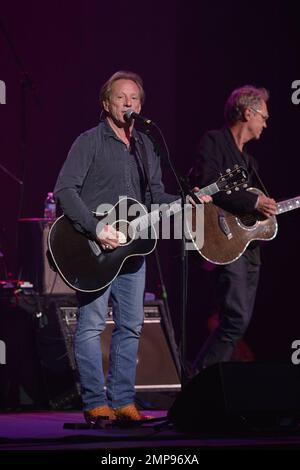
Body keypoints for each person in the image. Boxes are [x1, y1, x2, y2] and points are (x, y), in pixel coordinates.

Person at [54, 70, 210, 423]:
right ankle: (96, 403)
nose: (129, 103)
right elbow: (65, 190)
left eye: (135, 98)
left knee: (131, 325)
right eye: (121, 97)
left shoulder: (145, 146)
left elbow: (154, 196)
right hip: (92, 248)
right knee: (92, 324)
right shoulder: (89, 141)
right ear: (106, 103)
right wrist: (95, 229)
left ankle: (123, 401)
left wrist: (188, 198)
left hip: (134, 250)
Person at [190, 85, 277, 371]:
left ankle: (202, 381)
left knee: (238, 321)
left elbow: (252, 205)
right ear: (248, 112)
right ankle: (199, 380)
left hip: (249, 248)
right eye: (263, 116)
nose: (266, 122)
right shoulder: (215, 141)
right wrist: (254, 201)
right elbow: (208, 185)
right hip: (224, 241)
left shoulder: (250, 162)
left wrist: (264, 210)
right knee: (235, 318)